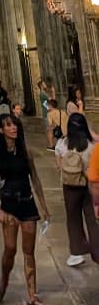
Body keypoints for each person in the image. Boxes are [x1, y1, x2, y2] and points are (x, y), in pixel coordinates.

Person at [0, 112, 49, 305]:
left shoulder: (26, 151)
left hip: (27, 202)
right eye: (8, 125)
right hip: (8, 205)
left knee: (28, 250)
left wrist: (43, 206)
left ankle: (32, 293)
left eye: (14, 124)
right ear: (1, 130)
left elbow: (36, 179)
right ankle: (4, 280)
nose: (13, 128)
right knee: (10, 249)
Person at [55, 111, 98, 266]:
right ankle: (97, 250)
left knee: (73, 219)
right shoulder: (92, 145)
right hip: (88, 185)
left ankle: (76, 253)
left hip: (69, 186)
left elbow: (59, 165)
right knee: (92, 219)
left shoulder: (62, 144)